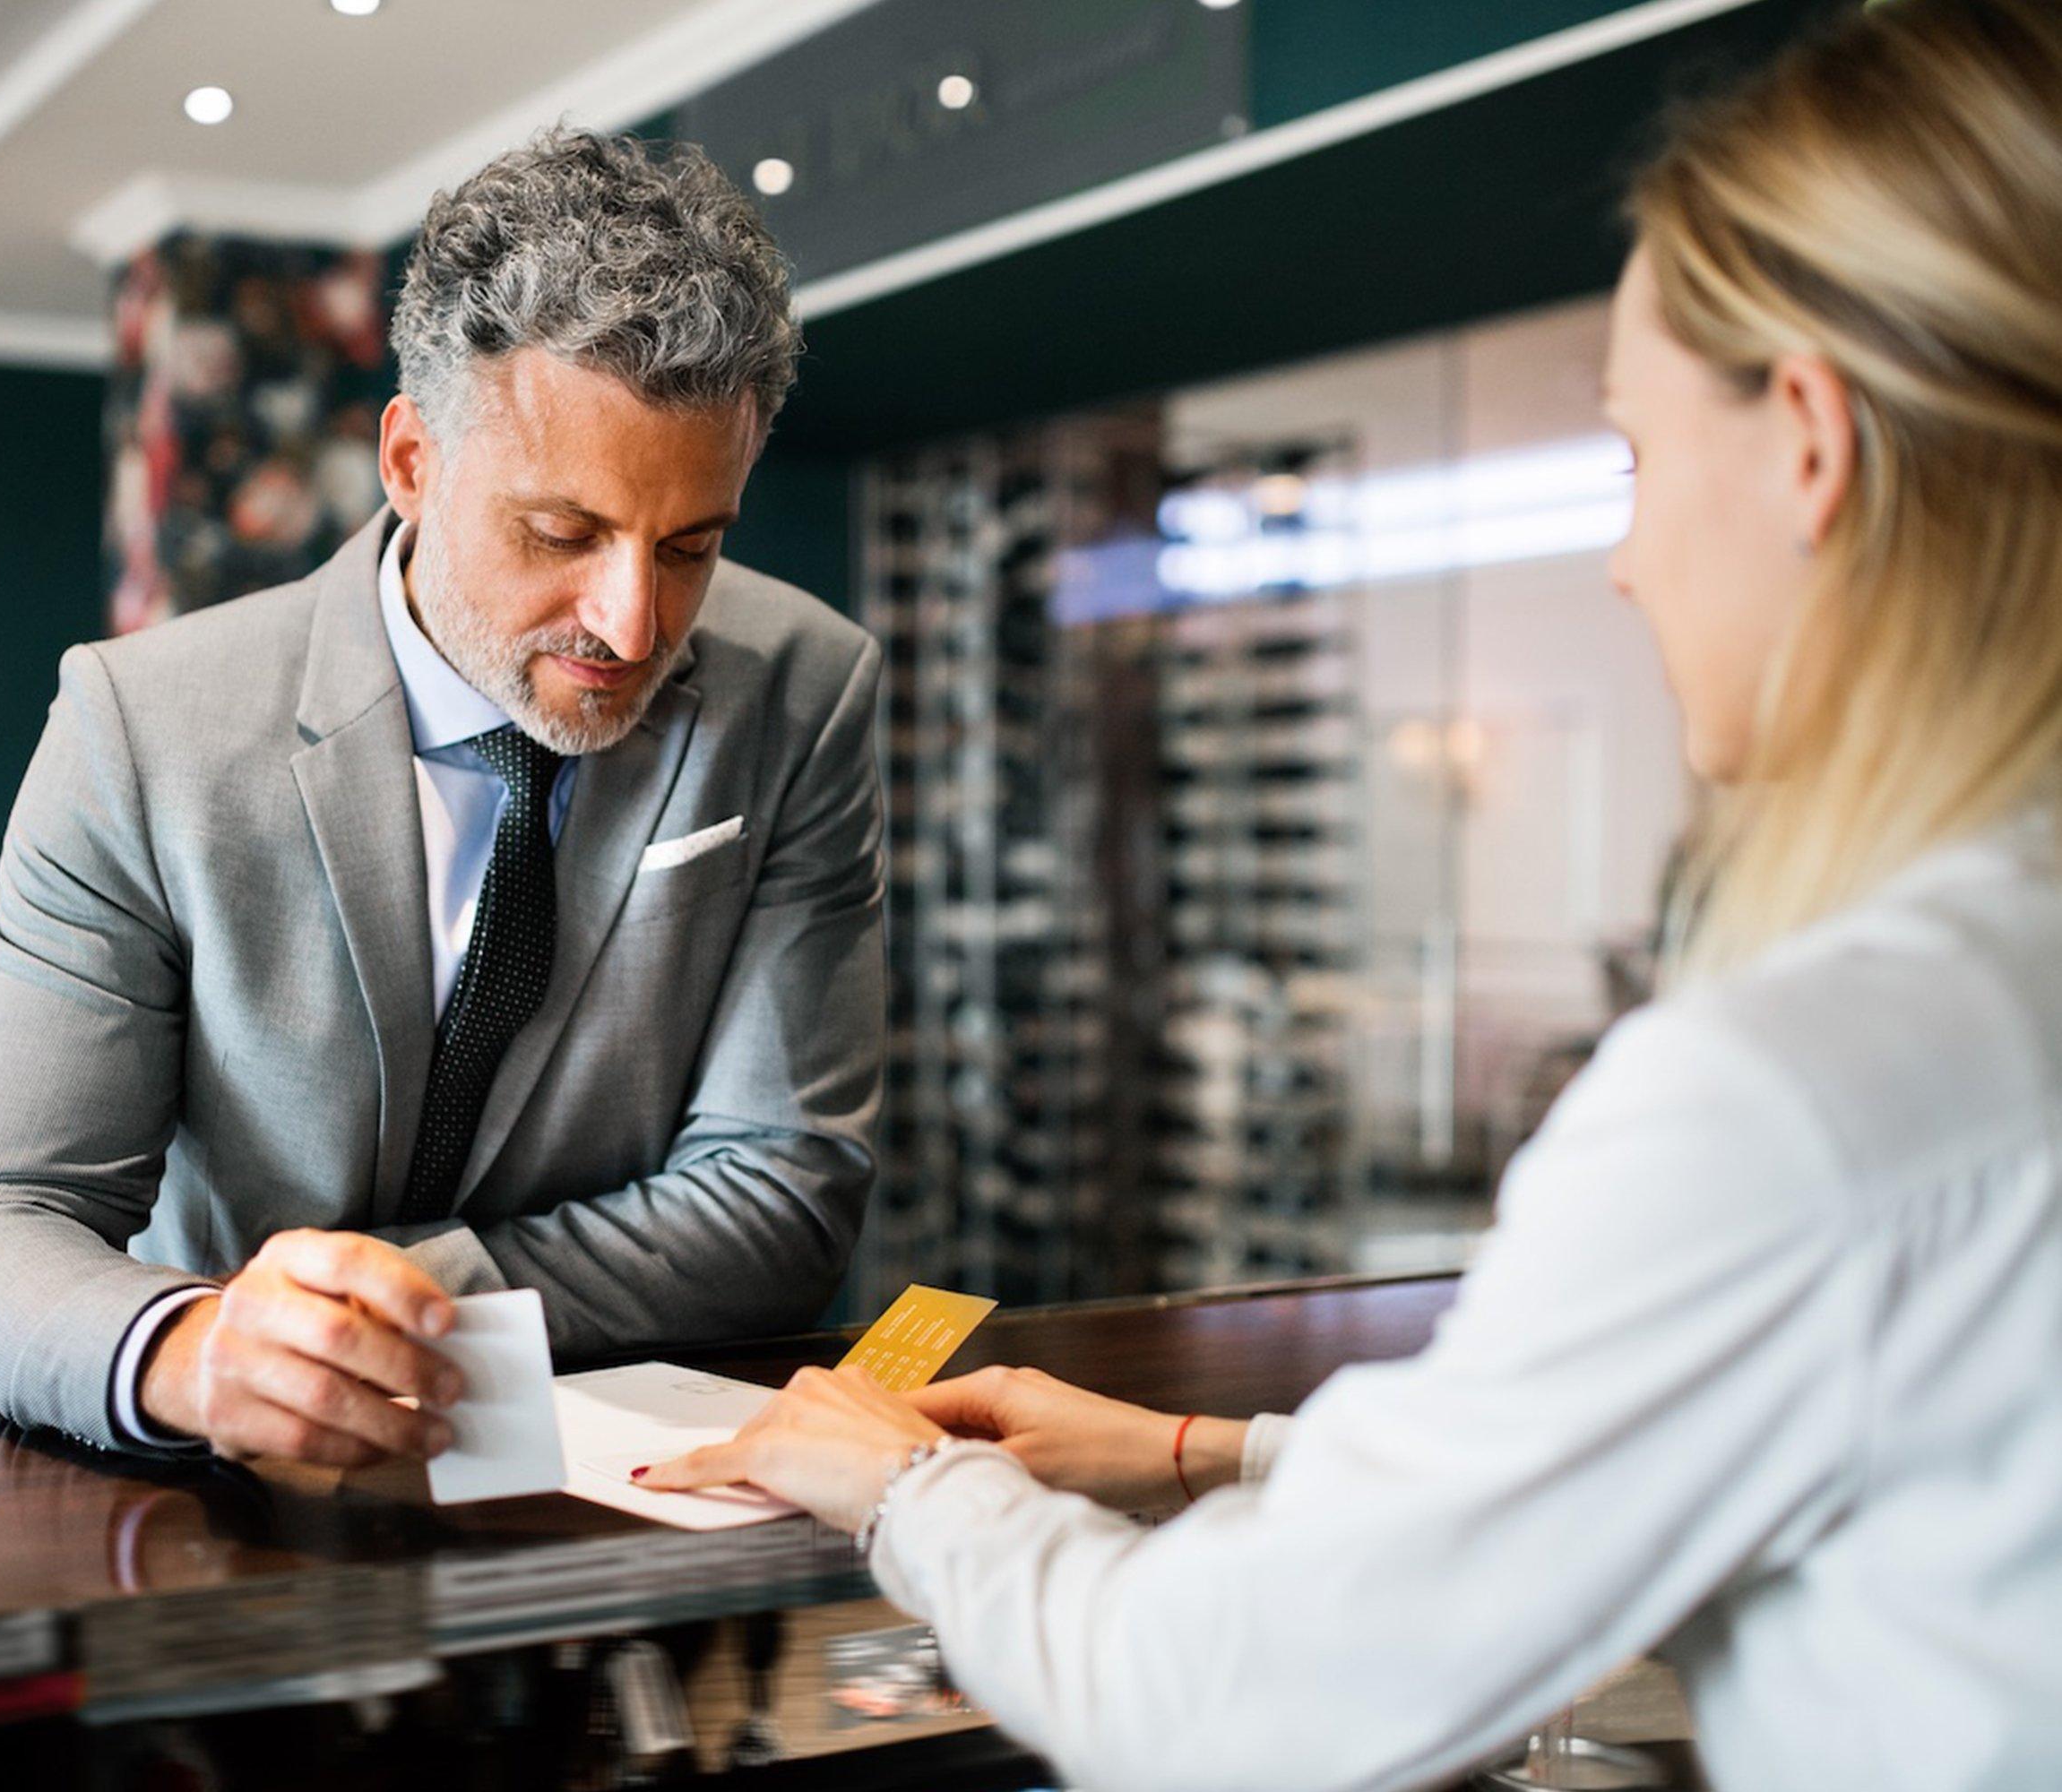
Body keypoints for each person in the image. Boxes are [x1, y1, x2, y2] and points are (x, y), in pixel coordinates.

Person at [641, 3, 2062, 1785]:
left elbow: (1225, 1713)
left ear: (1805, 441)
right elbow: (1650, 1459)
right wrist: (1192, 1452)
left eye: (1630, 459)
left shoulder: (1798, 1091)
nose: (1622, 562)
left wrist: (905, 1483)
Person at [0, 129, 884, 1469]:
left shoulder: (805, 689)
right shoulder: (141, 729)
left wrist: (381, 1309)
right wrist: (195, 1346)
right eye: (562, 534)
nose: (634, 621)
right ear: (412, 463)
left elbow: (784, 1200)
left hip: (627, 1495)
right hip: (217, 1486)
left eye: (692, 545)